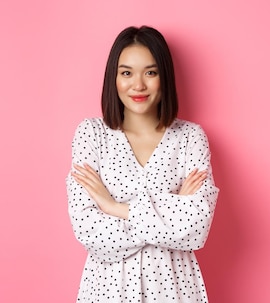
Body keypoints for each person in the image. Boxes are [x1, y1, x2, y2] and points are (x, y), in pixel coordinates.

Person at [66, 25, 219, 302]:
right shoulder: (91, 135)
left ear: (165, 77)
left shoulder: (190, 138)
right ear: (113, 78)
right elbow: (89, 230)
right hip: (108, 290)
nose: (138, 85)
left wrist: (115, 208)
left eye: (150, 72)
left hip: (174, 289)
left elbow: (196, 230)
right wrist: (170, 214)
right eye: (126, 73)